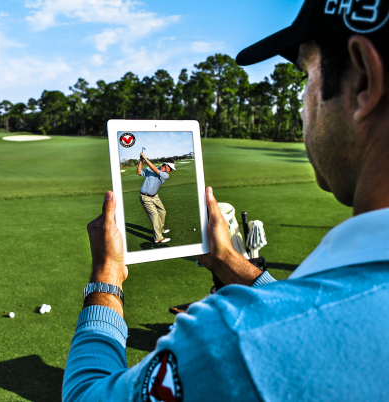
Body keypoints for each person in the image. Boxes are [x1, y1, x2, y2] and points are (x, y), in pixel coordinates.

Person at [63, 0, 389, 399]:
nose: (303, 105)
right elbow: (302, 310)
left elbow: (85, 394)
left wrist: (106, 277)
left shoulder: (240, 338)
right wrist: (231, 263)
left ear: (363, 83)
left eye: (306, 76)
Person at [136, 153, 176, 244]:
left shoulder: (165, 175)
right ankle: (158, 238)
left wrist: (145, 157)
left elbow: (155, 169)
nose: (171, 171)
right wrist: (141, 160)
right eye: (170, 168)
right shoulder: (149, 169)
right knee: (155, 215)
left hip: (155, 196)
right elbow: (139, 172)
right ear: (166, 165)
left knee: (162, 211)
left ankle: (160, 229)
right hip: (145, 197)